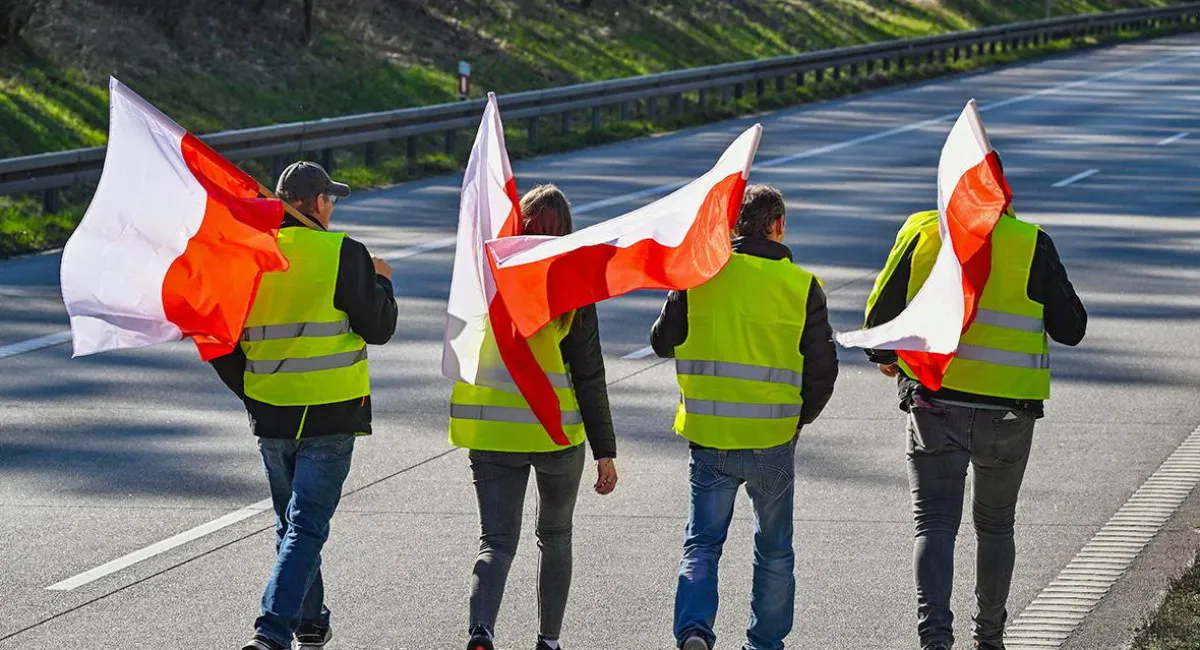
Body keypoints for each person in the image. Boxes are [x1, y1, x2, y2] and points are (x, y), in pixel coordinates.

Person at [862, 201, 1086, 650]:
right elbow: (1071, 328)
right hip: (1008, 413)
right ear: (1004, 196)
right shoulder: (1030, 242)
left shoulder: (923, 230)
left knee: (934, 525)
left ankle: (935, 641)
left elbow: (877, 323)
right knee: (996, 525)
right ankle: (989, 638)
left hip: (934, 404)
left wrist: (889, 360)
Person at [210, 161, 398, 650]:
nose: (332, 208)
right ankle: (271, 632)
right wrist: (380, 281)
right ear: (316, 204)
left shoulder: (250, 255)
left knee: (292, 525)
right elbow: (379, 329)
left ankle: (310, 620)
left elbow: (221, 339)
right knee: (307, 524)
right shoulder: (343, 253)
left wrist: (253, 391)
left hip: (272, 416)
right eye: (330, 199)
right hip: (332, 414)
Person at [650, 184, 838, 650]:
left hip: (710, 438)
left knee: (702, 544)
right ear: (777, 226)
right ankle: (764, 643)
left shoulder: (699, 276)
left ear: (733, 227)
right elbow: (823, 369)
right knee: (774, 549)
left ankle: (694, 630)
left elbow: (661, 342)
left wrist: (683, 285)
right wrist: (798, 419)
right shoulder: (801, 285)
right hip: (772, 439)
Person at [448, 184, 619, 650]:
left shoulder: (487, 276)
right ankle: (548, 640)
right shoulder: (572, 283)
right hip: (554, 433)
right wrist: (605, 452)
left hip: (491, 432)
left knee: (496, 542)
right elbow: (588, 374)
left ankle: (481, 631)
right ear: (566, 231)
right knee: (555, 536)